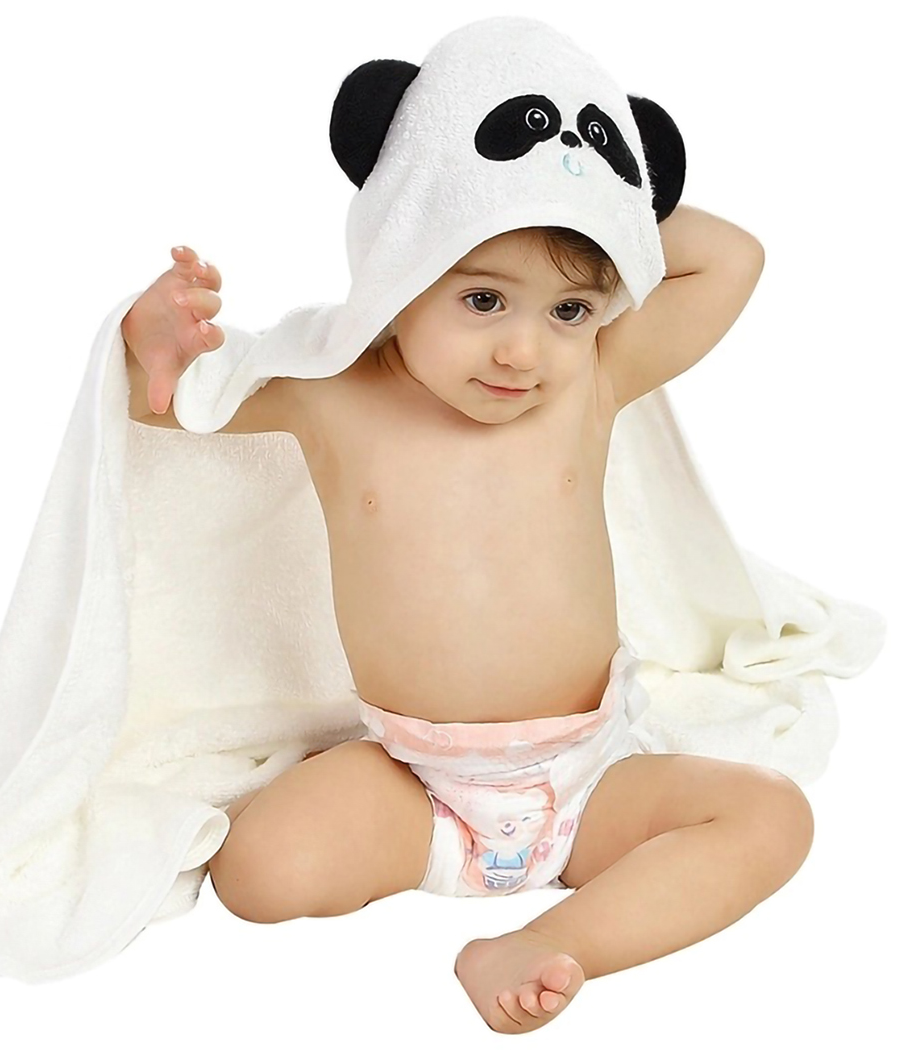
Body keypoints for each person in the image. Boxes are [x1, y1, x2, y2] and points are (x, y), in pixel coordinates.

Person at [120, 213, 809, 1033]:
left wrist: (580, 184)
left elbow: (730, 259)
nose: (523, 351)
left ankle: (553, 941)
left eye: (569, 310)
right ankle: (397, 838)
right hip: (416, 784)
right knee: (259, 876)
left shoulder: (593, 380)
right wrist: (149, 337)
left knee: (772, 817)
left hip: (592, 779)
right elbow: (158, 402)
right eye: (484, 300)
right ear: (398, 270)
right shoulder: (331, 391)